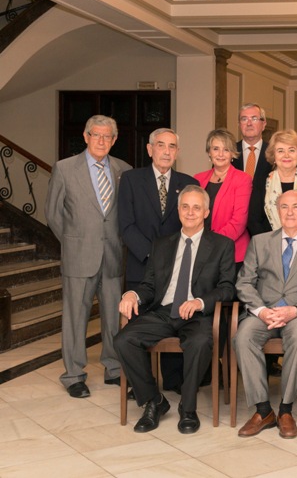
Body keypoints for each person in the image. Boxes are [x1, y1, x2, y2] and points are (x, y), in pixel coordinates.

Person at [113, 185, 236, 434]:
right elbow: (149, 285)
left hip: (198, 314)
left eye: (196, 208)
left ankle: (188, 408)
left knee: (200, 342)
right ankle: (154, 401)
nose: (190, 212)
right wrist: (132, 294)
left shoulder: (222, 245)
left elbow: (227, 288)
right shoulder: (162, 244)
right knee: (124, 340)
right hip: (163, 311)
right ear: (178, 211)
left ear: (206, 212)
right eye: (185, 207)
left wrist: (199, 301)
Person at [234, 190, 297, 439]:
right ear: (277, 211)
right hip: (264, 312)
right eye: (284, 207)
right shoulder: (259, 242)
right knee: (243, 336)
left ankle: (286, 410)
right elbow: (244, 283)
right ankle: (263, 410)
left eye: (296, 207)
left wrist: (295, 310)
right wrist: (261, 311)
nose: (290, 212)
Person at [45, 115, 132, 398]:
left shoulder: (124, 170)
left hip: (113, 256)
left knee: (113, 317)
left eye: (107, 136)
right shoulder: (64, 168)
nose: (101, 141)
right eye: (96, 135)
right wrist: (74, 242)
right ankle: (73, 375)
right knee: (75, 317)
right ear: (85, 137)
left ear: (114, 140)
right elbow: (53, 213)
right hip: (79, 256)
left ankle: (114, 368)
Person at [118, 127, 199, 392]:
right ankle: (140, 385)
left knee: (171, 320)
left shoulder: (187, 183)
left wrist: (171, 259)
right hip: (141, 265)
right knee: (138, 329)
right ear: (150, 149)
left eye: (172, 146)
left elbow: (191, 225)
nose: (166, 151)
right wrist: (155, 256)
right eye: (161, 145)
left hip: (177, 269)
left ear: (177, 152)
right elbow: (126, 224)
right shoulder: (131, 179)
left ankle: (173, 379)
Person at [194, 129, 252, 266]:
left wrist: (212, 244)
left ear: (232, 153)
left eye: (226, 149)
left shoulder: (243, 179)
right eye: (216, 149)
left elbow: (239, 221)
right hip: (200, 251)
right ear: (209, 152)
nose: (220, 154)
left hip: (232, 253)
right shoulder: (198, 179)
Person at [231, 103, 272, 238]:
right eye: (244, 119)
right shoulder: (228, 153)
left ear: (263, 124)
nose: (249, 123)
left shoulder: (275, 154)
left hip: (266, 230)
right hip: (233, 229)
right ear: (239, 124)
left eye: (254, 118)